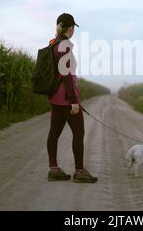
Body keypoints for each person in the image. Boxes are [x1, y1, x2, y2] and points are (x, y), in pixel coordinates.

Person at [46, 13, 98, 183]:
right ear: (70, 28)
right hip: (66, 97)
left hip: (54, 96)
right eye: (73, 27)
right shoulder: (65, 45)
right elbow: (66, 74)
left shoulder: (53, 44)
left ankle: (53, 169)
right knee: (79, 132)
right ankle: (80, 171)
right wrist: (74, 101)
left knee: (54, 133)